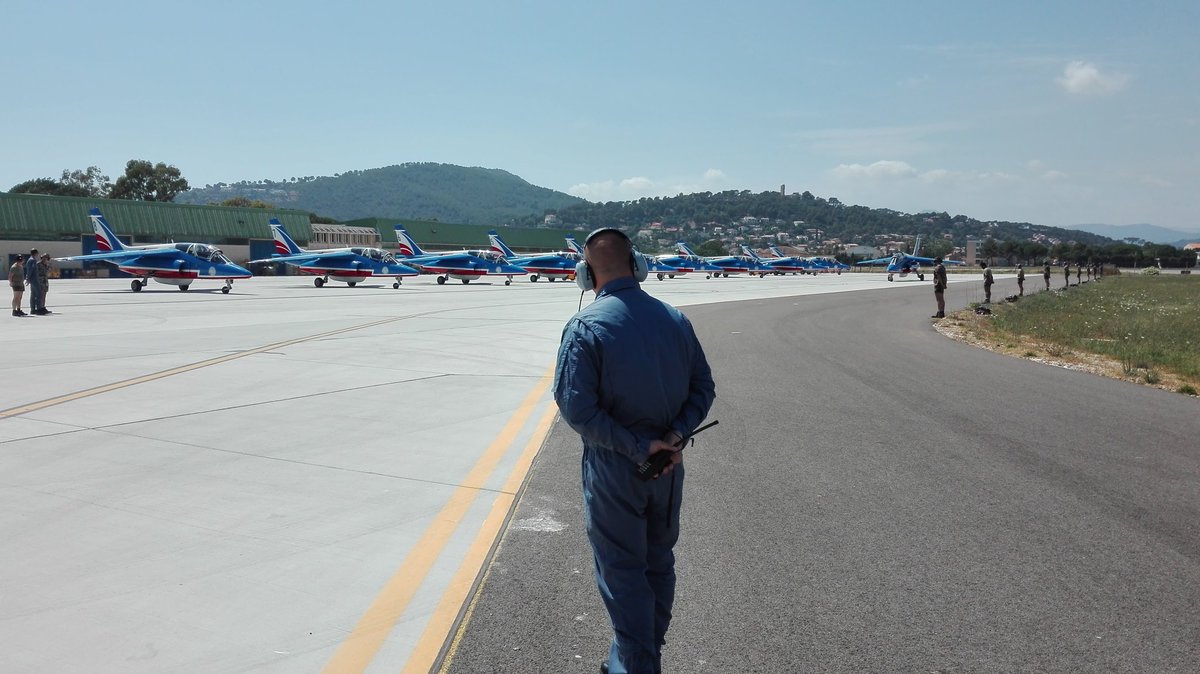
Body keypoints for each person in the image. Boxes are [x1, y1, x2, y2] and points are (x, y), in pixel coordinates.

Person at [554, 227, 716, 674]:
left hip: (617, 469)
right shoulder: (675, 319)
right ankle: (633, 659)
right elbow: (703, 387)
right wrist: (675, 435)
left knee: (622, 572)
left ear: (586, 274)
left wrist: (637, 446)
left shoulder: (585, 327)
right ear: (637, 265)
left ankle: (638, 665)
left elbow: (577, 409)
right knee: (657, 564)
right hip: (668, 466)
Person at [24, 248, 43, 314]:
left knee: (33, 294)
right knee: (38, 294)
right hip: (34, 279)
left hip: (33, 279)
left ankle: (33, 309)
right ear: (35, 253)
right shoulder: (32, 260)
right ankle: (38, 309)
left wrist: (28, 278)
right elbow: (30, 270)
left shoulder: (30, 260)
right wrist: (27, 278)